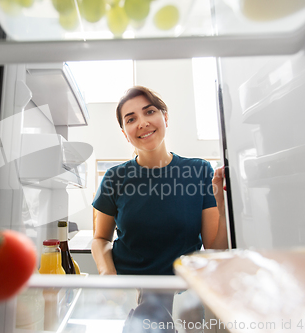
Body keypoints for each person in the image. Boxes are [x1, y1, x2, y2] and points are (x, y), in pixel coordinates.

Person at [91, 86, 228, 277]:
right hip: (131, 291)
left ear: (165, 117)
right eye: (131, 119)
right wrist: (108, 274)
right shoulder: (114, 178)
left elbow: (215, 251)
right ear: (124, 133)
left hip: (184, 292)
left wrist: (224, 211)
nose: (142, 122)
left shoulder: (199, 171)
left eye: (149, 112)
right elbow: (100, 239)